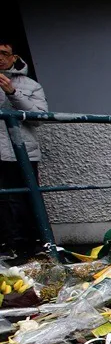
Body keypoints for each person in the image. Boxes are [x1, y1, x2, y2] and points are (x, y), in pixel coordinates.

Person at [0, 39, 48, 256]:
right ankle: (8, 246)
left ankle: (34, 246)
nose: (0, 58)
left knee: (26, 199)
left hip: (20, 152)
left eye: (4, 53)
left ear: (14, 57)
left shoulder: (30, 85)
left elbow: (39, 118)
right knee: (3, 201)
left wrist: (13, 93)